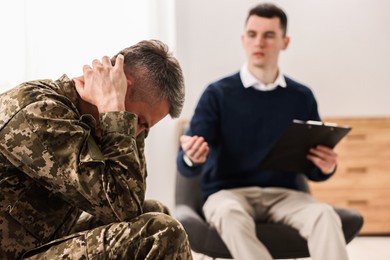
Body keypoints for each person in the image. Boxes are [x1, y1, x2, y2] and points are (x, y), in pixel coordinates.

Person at [177, 3, 349, 260]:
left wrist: (326, 167)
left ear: (284, 42)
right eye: (252, 34)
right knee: (229, 214)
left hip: (286, 194)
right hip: (227, 195)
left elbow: (312, 164)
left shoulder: (301, 97)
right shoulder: (217, 94)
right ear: (243, 40)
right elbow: (186, 162)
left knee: (324, 215)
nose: (259, 42)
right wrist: (192, 156)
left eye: (269, 35)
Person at [0, 39, 192, 259]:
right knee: (162, 233)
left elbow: (133, 206)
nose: (137, 132)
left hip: (39, 245)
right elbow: (122, 207)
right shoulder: (38, 111)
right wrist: (116, 112)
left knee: (155, 212)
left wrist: (122, 117)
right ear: (121, 88)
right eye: (140, 122)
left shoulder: (96, 123)